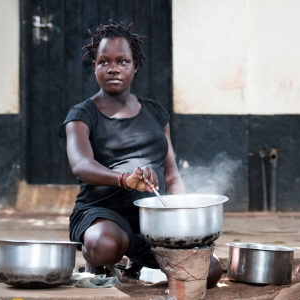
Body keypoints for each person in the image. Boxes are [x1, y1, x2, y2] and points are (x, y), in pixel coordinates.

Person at [59, 21, 223, 288]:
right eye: (104, 62)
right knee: (103, 245)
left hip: (153, 221)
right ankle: (96, 262)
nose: (113, 68)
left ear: (135, 66)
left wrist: (181, 220)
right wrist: (125, 179)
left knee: (210, 271)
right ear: (94, 67)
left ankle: (140, 268)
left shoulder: (155, 112)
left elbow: (171, 175)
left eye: (122, 61)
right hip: (101, 214)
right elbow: (81, 165)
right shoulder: (81, 115)